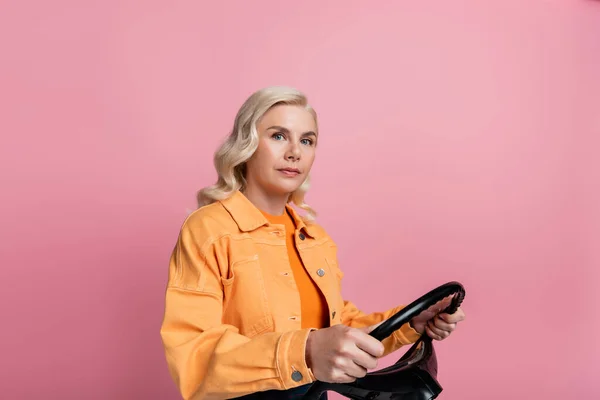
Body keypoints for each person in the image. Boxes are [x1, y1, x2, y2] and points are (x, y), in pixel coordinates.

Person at [159, 86, 466, 400]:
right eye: (278, 136)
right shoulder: (209, 228)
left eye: (307, 140)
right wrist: (305, 351)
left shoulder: (315, 238)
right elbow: (194, 355)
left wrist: (410, 323)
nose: (295, 152)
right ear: (247, 145)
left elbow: (339, 324)